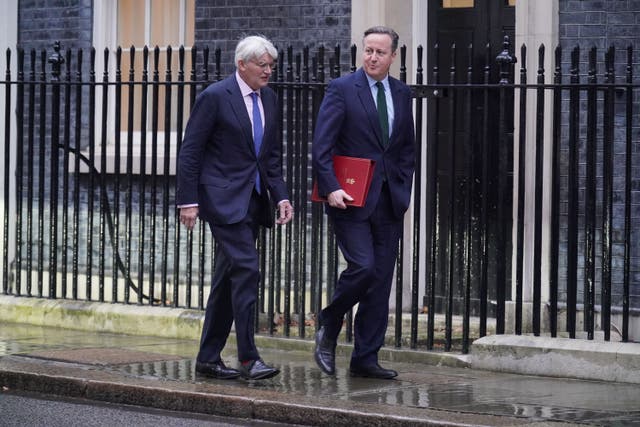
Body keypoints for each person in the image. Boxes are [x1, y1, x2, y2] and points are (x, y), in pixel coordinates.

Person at [176, 35, 294, 380]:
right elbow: (191, 151)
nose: (268, 71)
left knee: (226, 281)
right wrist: (188, 201)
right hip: (222, 201)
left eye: (271, 65)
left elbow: (270, 157)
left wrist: (281, 196)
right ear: (242, 64)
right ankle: (248, 359)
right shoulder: (215, 97)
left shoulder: (269, 99)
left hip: (254, 203)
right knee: (247, 269)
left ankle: (208, 359)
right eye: (262, 64)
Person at [311, 26, 415, 379]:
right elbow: (321, 146)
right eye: (368, 50)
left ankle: (365, 359)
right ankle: (330, 317)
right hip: (349, 200)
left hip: (389, 201)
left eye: (379, 52)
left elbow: (406, 148)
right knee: (364, 268)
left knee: (381, 280)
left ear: (393, 56)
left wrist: (404, 186)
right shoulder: (342, 89)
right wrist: (331, 187)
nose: (372, 57)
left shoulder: (401, 93)